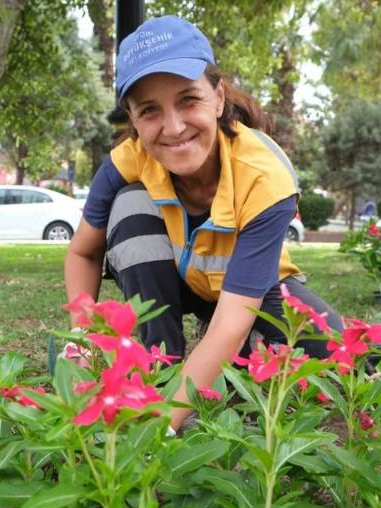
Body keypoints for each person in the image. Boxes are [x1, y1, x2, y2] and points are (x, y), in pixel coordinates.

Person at [64, 15, 344, 434]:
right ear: (133, 119)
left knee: (333, 346)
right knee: (130, 206)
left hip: (251, 290)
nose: (173, 127)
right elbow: (82, 251)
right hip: (175, 279)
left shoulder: (265, 176)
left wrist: (158, 429)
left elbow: (234, 317)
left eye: (189, 100)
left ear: (218, 97)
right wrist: (82, 338)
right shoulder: (127, 159)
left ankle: (226, 372)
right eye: (150, 110)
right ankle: (161, 364)